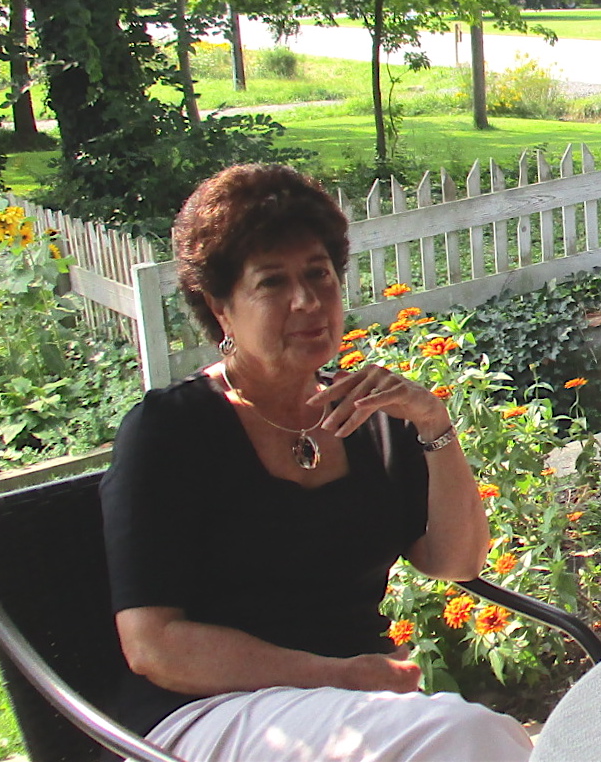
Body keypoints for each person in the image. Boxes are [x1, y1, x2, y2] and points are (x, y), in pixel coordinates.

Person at [100, 164, 532, 761]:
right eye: (272, 283)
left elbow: (455, 561)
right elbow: (155, 646)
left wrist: (434, 424)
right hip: (204, 715)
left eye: (318, 274)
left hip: (357, 711)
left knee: (473, 740)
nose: (307, 301)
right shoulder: (172, 431)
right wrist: (339, 675)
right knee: (470, 738)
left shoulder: (371, 414)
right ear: (220, 307)